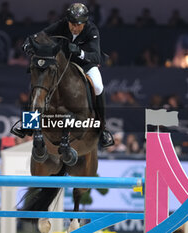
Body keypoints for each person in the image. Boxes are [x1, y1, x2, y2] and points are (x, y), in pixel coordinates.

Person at [11, 3, 114, 147]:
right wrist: (29, 40)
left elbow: (96, 56)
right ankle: (28, 124)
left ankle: (103, 128)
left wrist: (80, 52)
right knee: (39, 82)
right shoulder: (62, 25)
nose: (75, 28)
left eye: (78, 25)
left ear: (85, 23)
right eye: (72, 23)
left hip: (86, 65)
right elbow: (42, 34)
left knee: (97, 86)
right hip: (63, 64)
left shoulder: (92, 30)